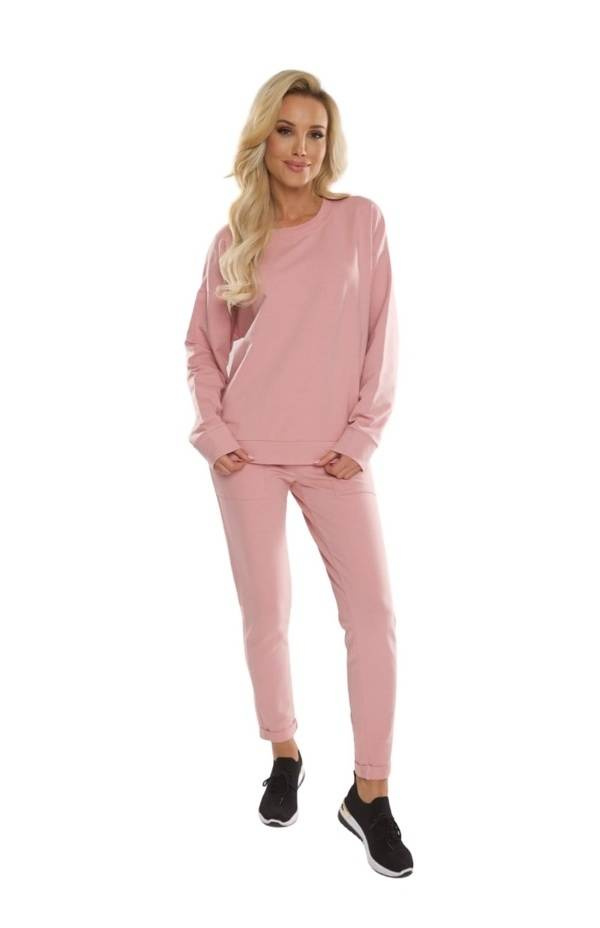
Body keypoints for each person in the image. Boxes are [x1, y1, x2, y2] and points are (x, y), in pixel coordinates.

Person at [184, 69, 413, 878]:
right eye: (286, 130)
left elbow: (383, 335)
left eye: (316, 133)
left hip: (336, 454)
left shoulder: (362, 222)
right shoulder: (235, 236)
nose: (302, 148)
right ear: (263, 136)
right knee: (267, 616)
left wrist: (363, 434)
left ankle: (371, 793)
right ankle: (284, 753)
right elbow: (203, 348)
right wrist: (215, 434)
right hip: (247, 452)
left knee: (374, 618)